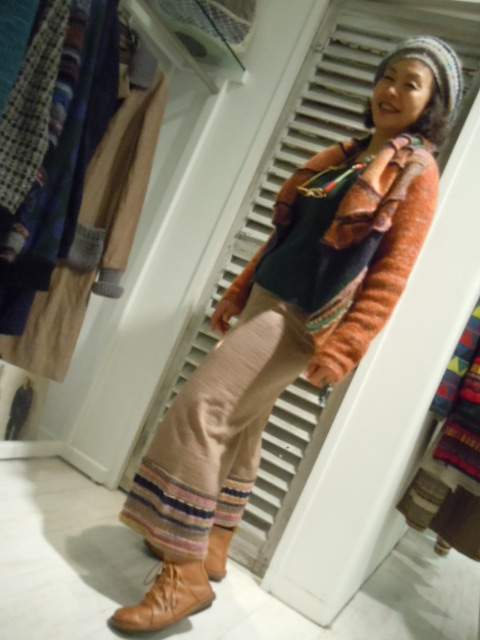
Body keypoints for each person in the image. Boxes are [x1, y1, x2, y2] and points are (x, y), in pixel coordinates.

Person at [109, 36, 463, 633]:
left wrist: (347, 345)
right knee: (243, 424)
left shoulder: (417, 170)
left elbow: (392, 273)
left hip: (305, 317)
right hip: (268, 297)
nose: (392, 90)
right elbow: (287, 236)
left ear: (433, 105)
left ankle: (183, 572)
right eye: (388, 76)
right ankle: (215, 542)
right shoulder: (348, 154)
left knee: (202, 410)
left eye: (411, 84)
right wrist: (240, 291)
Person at [4, 376, 34, 440]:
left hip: (22, 413)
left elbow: (28, 404)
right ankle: (6, 439)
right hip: (15, 411)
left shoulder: (29, 391)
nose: (25, 382)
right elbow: (15, 400)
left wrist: (24, 412)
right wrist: (12, 409)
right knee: (9, 426)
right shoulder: (19, 389)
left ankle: (13, 441)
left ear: (28, 383)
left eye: (27, 381)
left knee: (17, 429)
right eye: (25, 381)